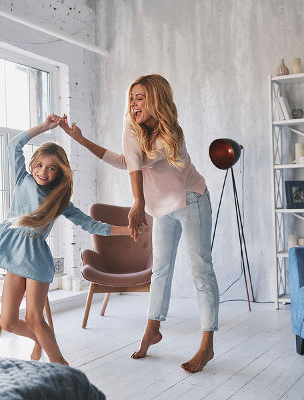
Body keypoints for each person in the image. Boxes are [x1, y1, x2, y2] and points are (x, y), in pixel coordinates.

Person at [59, 74, 219, 373]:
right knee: (160, 270)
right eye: (131, 97)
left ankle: (207, 344)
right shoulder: (132, 128)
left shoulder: (172, 134)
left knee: (201, 269)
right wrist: (79, 139)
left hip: (191, 199)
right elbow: (125, 161)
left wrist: (138, 202)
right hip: (162, 208)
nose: (133, 103)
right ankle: (152, 329)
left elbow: (134, 162)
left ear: (156, 100)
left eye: (140, 97)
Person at [0, 114, 130, 364]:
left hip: (35, 259)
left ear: (60, 172)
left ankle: (61, 366)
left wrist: (128, 230)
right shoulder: (22, 180)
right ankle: (39, 340)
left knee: (35, 318)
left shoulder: (60, 201)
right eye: (39, 165)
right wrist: (45, 127)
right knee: (8, 322)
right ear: (32, 165)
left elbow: (92, 224)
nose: (44, 172)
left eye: (51, 168)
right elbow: (13, 145)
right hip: (13, 255)